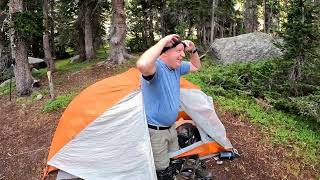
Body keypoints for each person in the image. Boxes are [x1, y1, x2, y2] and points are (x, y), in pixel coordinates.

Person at [136, 34, 201, 179]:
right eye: (178, 51)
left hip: (171, 127)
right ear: (165, 52)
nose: (182, 55)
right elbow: (142, 65)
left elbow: (196, 66)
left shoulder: (176, 68)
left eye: (183, 51)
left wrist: (194, 50)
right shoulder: (156, 69)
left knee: (175, 161)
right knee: (162, 170)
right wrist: (163, 41)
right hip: (156, 132)